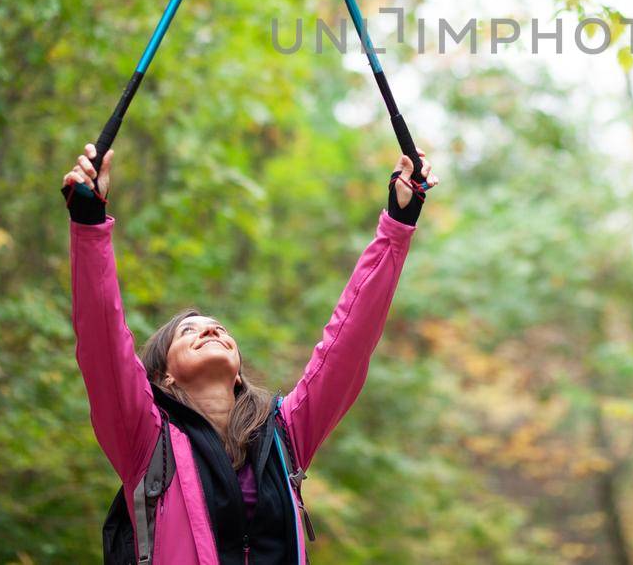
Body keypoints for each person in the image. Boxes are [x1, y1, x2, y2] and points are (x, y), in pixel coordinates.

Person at [62, 141, 438, 565]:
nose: (210, 329)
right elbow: (102, 343)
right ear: (164, 376)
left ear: (238, 372)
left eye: (218, 328)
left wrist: (398, 221)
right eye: (189, 331)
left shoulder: (286, 433)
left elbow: (348, 342)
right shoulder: (146, 443)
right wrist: (88, 223)